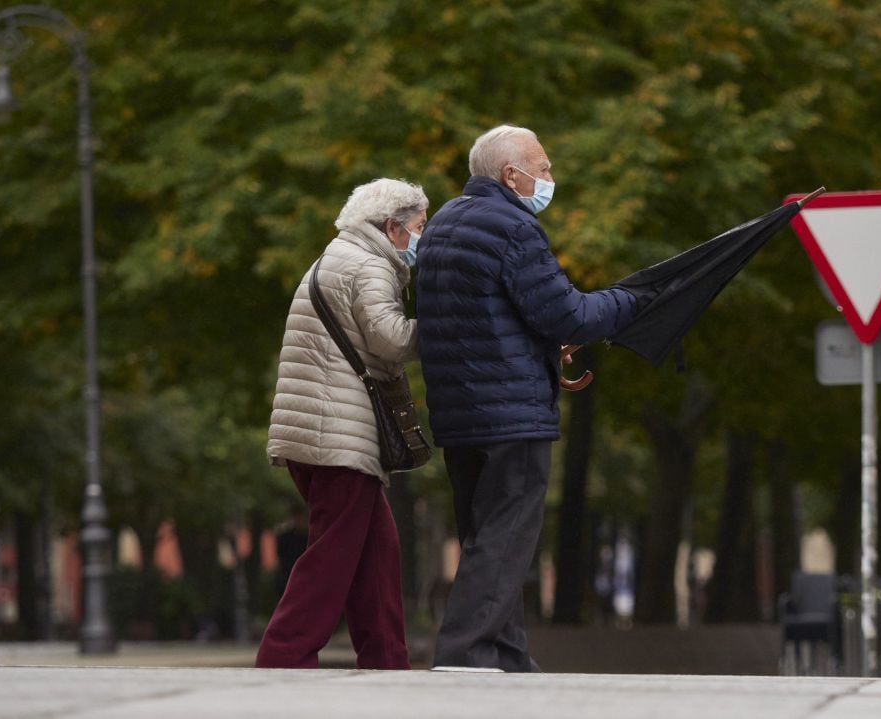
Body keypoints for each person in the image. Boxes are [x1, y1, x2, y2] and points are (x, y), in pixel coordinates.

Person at [416, 125, 637, 671]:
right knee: (508, 536)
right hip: (510, 410)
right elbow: (569, 315)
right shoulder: (515, 227)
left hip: (458, 410)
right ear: (511, 175)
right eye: (543, 168)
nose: (550, 179)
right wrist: (629, 301)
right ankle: (464, 654)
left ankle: (510, 657)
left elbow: (481, 316)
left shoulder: (442, 223)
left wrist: (537, 345)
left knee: (485, 536)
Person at [256, 178, 428, 670]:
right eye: (418, 227)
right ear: (391, 227)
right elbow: (391, 340)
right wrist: (445, 324)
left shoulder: (337, 256)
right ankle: (284, 657)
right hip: (337, 435)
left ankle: (387, 660)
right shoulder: (369, 265)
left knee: (375, 552)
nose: (421, 237)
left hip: (317, 431)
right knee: (332, 556)